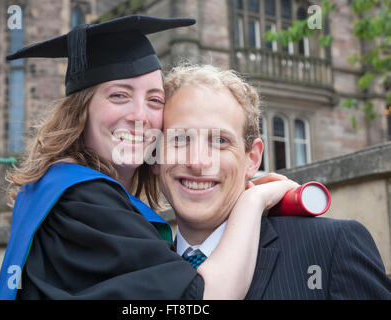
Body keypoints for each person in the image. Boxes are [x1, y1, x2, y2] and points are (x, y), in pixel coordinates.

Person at [0, 15, 298, 300]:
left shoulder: (63, 195)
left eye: (154, 100)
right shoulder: (82, 201)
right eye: (119, 95)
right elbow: (202, 299)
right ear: (81, 111)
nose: (140, 116)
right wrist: (253, 201)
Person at [155, 64, 391, 299]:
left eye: (220, 141)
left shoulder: (331, 247)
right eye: (180, 139)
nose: (197, 163)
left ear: (253, 158)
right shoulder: (141, 270)